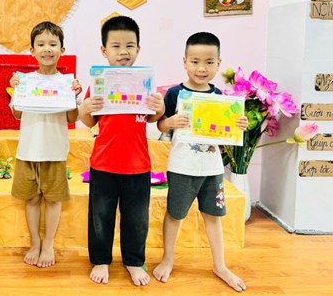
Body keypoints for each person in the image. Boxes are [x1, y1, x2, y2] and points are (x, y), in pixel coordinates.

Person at [152, 32, 248, 292]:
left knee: (213, 216)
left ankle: (220, 265)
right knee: (175, 215)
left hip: (212, 169)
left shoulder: (221, 97)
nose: (201, 68)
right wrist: (170, 122)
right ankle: (168, 259)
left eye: (209, 62)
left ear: (218, 64)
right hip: (182, 167)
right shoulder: (175, 94)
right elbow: (160, 125)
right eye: (195, 61)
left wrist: (238, 125)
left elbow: (228, 133)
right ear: (184, 62)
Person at [78, 15, 165, 286]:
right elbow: (89, 121)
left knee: (137, 219)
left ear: (138, 49)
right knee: (100, 217)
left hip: (138, 165)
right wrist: (84, 108)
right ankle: (101, 259)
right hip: (103, 164)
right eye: (115, 46)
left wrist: (159, 107)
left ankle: (134, 261)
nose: (123, 51)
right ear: (104, 50)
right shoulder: (99, 84)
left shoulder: (145, 83)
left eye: (129, 45)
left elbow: (153, 118)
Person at [8, 21, 82, 268]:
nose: (47, 49)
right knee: (31, 199)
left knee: (53, 200)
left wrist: (74, 96)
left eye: (53, 44)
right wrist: (17, 91)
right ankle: (34, 243)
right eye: (41, 44)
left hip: (55, 151)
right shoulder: (24, 80)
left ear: (62, 49)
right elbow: (17, 114)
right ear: (32, 50)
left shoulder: (67, 82)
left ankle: (48, 244)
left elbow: (72, 118)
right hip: (28, 150)